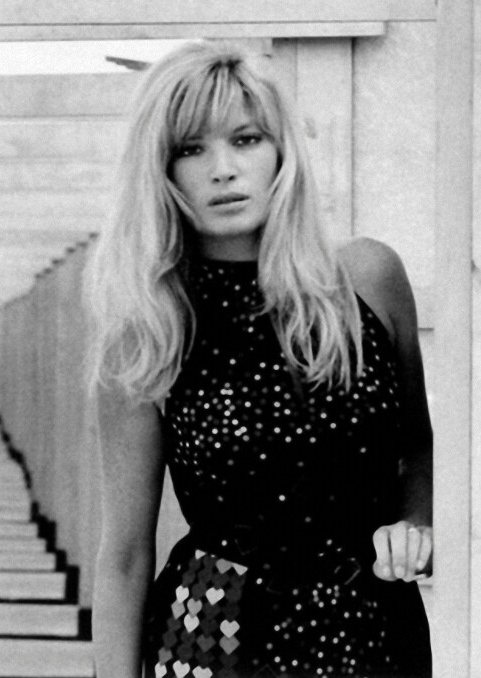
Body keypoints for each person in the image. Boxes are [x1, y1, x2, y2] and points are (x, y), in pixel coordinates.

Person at [84, 40, 433, 678]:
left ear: (280, 152)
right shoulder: (148, 329)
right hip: (212, 633)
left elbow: (415, 444)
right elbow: (126, 555)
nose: (223, 169)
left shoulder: (368, 279)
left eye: (245, 140)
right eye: (190, 149)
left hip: (371, 627)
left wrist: (413, 523)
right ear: (159, 170)